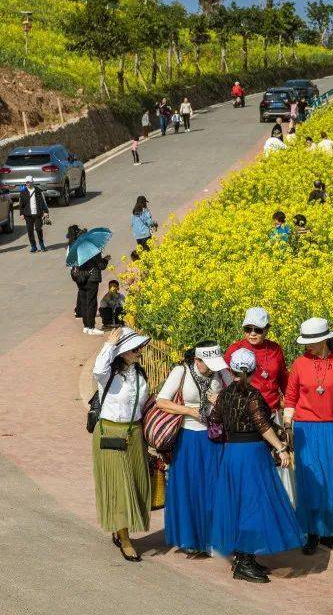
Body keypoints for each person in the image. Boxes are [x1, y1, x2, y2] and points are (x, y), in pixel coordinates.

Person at [209, 348, 302, 582]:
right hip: (252, 455)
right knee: (253, 505)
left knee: (238, 504)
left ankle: (243, 558)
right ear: (254, 370)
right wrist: (281, 448)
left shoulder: (225, 394)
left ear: (230, 369)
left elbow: (215, 422)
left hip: (232, 455)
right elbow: (263, 426)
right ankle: (244, 562)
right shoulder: (252, 395)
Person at [284, 318, 333, 556]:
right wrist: (287, 425)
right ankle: (311, 531)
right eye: (306, 341)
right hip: (306, 428)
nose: (309, 346)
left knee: (332, 478)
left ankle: (329, 530)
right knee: (311, 480)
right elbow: (290, 396)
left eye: (313, 342)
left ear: (325, 339)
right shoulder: (299, 363)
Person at [157, 341, 229, 558]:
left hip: (215, 438)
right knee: (190, 487)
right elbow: (162, 401)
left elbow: (234, 397)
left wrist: (219, 402)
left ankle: (213, 537)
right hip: (188, 437)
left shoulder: (221, 373)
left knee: (214, 487)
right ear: (197, 360)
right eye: (208, 363)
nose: (214, 368)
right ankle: (191, 539)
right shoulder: (181, 371)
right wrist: (190, 411)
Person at [91, 327, 153, 562]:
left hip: (135, 433)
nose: (140, 351)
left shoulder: (140, 374)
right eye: (135, 348)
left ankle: (120, 529)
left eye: (140, 347)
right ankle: (125, 539)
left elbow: (144, 406)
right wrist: (109, 344)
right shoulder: (107, 375)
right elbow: (98, 368)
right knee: (120, 486)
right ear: (122, 351)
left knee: (135, 485)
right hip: (110, 433)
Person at [225, 307, 294, 503]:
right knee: (253, 470)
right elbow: (225, 380)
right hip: (246, 420)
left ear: (267, 329)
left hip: (272, 414)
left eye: (258, 329)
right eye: (248, 329)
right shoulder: (234, 350)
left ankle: (276, 510)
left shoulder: (275, 350)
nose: (253, 333)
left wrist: (290, 409)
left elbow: (284, 380)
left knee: (278, 469)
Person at [74, 240, 110, 335]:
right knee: (91, 303)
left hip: (81, 280)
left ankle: (86, 326)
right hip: (91, 279)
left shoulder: (77, 250)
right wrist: (106, 260)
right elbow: (100, 265)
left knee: (84, 303)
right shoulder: (93, 250)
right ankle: (91, 327)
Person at [18, 176, 49, 252]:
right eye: (26, 182)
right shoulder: (23, 192)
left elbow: (43, 202)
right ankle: (33, 246)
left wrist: (45, 211)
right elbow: (21, 204)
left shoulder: (38, 191)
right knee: (30, 230)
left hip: (37, 213)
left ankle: (41, 244)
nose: (27, 184)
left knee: (38, 229)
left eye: (29, 182)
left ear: (32, 182)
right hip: (28, 215)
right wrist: (21, 214)